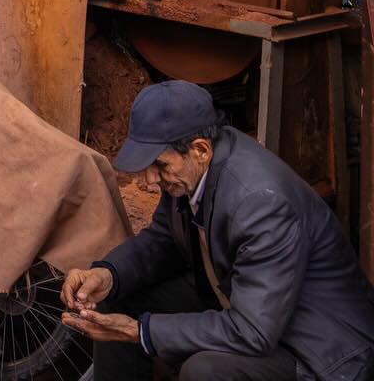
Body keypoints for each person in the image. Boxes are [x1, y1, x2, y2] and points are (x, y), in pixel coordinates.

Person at [61, 80, 374, 380]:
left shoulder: (260, 203)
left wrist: (139, 331)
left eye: (159, 165)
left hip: (318, 352)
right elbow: (164, 238)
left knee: (207, 371)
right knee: (115, 296)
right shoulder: (190, 173)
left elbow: (253, 332)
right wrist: (108, 275)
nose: (149, 180)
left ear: (200, 150)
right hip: (242, 302)